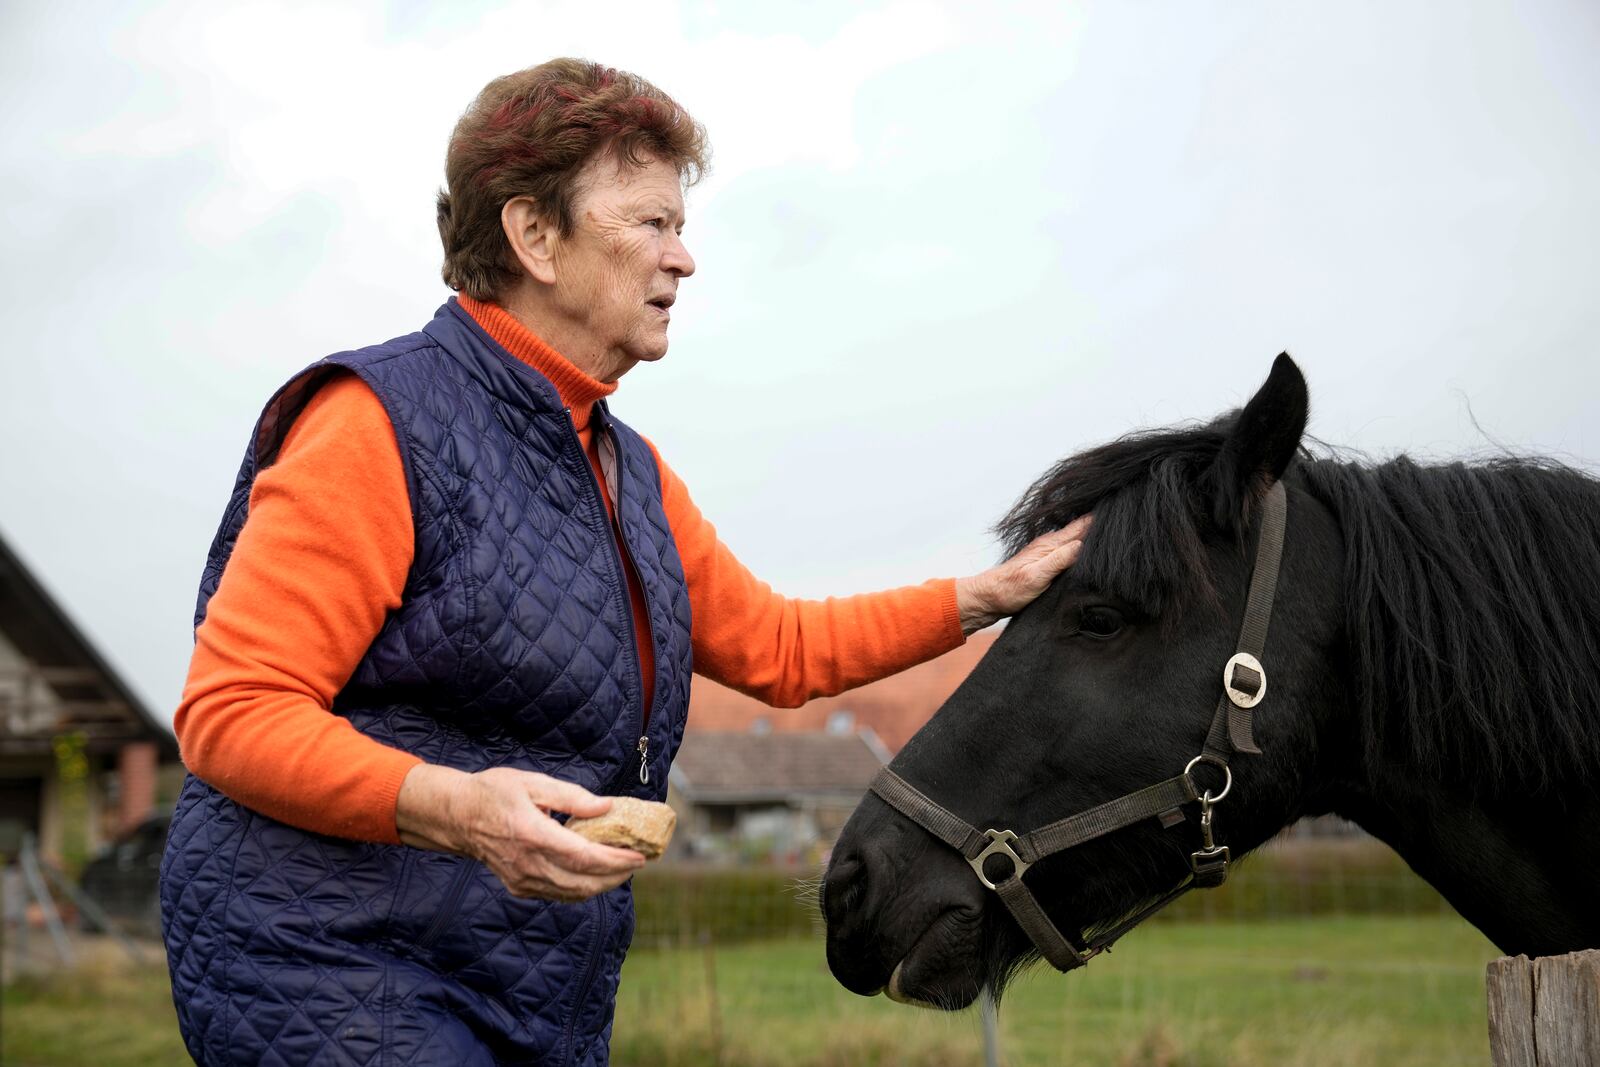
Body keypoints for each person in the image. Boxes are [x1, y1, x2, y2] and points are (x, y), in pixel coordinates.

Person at [158, 58, 1088, 1066]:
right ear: (533, 235)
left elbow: (778, 646)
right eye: (650, 223)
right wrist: (461, 809)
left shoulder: (627, 471)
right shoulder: (374, 423)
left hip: (525, 979)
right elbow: (233, 710)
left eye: (680, 225)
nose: (682, 258)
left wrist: (986, 594)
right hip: (326, 967)